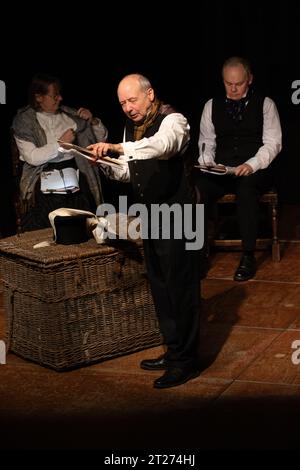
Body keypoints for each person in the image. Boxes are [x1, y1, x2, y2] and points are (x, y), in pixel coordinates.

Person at [88, 73, 202, 389]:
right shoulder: (132, 129)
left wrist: (116, 146)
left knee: (181, 288)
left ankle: (186, 363)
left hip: (179, 214)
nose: (127, 107)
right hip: (151, 214)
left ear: (149, 94)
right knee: (161, 286)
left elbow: (162, 147)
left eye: (132, 99)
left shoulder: (174, 120)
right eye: (122, 103)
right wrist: (108, 164)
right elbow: (130, 170)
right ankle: (174, 351)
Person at [196, 56, 282, 281]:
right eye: (228, 83)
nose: (233, 89)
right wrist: (208, 163)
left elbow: (273, 144)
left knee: (246, 189)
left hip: (255, 167)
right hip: (223, 168)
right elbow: (207, 142)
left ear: (249, 79)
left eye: (239, 83)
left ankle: (247, 255)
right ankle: (197, 253)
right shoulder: (211, 105)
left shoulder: (266, 104)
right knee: (197, 190)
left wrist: (251, 165)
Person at [12, 73, 108, 231]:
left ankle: (83, 242)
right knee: (54, 202)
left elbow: (101, 139)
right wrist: (60, 143)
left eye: (59, 94)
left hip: (75, 168)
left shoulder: (69, 115)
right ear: (39, 97)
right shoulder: (25, 121)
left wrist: (93, 121)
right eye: (55, 95)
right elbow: (32, 157)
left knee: (81, 197)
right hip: (42, 171)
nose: (60, 98)